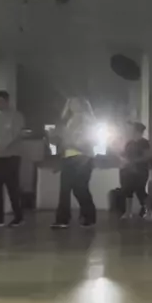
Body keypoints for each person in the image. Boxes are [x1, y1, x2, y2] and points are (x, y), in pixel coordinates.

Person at [51, 97, 97, 229]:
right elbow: (63, 141)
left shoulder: (87, 121)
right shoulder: (68, 121)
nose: (73, 105)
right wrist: (56, 140)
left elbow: (89, 141)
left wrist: (71, 143)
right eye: (71, 103)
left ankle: (88, 216)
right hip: (68, 157)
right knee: (65, 189)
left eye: (76, 103)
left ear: (82, 105)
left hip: (82, 158)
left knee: (80, 189)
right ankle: (63, 219)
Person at [0, 90, 24, 227]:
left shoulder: (17, 116)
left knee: (12, 187)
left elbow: (14, 136)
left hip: (11, 157)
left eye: (0, 101)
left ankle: (19, 217)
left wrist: (0, 148)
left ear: (7, 101)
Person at [119, 122, 152, 220]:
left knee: (140, 191)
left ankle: (149, 212)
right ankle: (128, 212)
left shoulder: (144, 143)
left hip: (141, 171)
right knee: (127, 191)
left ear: (138, 131)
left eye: (132, 129)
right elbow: (124, 155)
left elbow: (147, 157)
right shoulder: (129, 143)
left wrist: (133, 161)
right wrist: (123, 160)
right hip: (128, 170)